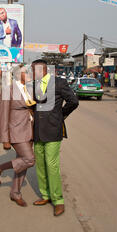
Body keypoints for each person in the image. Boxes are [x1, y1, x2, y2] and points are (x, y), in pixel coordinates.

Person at [30, 59, 79, 216]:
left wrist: (61, 115)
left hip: (53, 130)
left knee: (51, 165)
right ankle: (46, 195)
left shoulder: (59, 82)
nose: (32, 73)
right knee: (41, 165)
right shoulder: (33, 85)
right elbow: (32, 105)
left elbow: (73, 101)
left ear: (42, 70)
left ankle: (58, 200)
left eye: (33, 70)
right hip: (37, 130)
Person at [0, 64, 36, 207]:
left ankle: (15, 193)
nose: (29, 74)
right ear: (17, 75)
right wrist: (5, 139)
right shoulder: (7, 91)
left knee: (22, 164)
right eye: (25, 72)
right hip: (16, 132)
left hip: (30, 130)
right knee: (29, 159)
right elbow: (3, 116)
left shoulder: (29, 89)